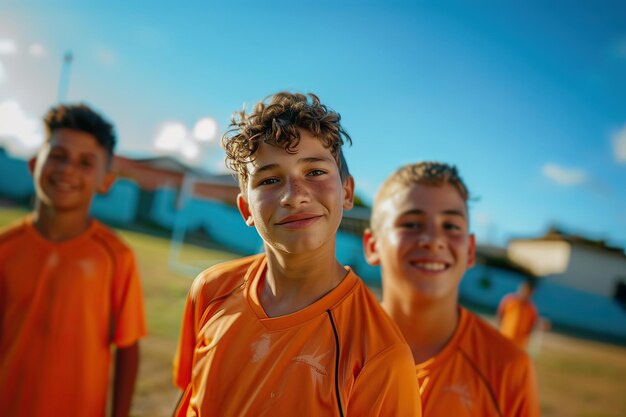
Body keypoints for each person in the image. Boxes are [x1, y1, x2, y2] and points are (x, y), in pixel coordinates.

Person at [173, 92, 421, 416]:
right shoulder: (210, 290)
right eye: (270, 179)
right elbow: (190, 397)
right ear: (246, 208)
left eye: (315, 172)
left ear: (346, 192)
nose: (294, 196)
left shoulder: (380, 354)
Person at [0, 103, 146, 417]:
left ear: (105, 181)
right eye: (58, 156)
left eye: (85, 162)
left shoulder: (115, 257)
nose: (67, 169)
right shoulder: (5, 248)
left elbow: (127, 348)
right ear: (33, 163)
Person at [363, 161, 539, 416]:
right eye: (412, 224)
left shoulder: (508, 368)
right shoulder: (330, 348)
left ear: (469, 250)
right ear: (372, 245)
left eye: (451, 226)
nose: (434, 240)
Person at [498, 279, 542, 350]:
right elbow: (500, 315)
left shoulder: (531, 309)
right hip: (505, 337)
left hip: (519, 344)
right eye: (525, 289)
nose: (526, 293)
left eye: (529, 291)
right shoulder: (509, 300)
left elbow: (531, 326)